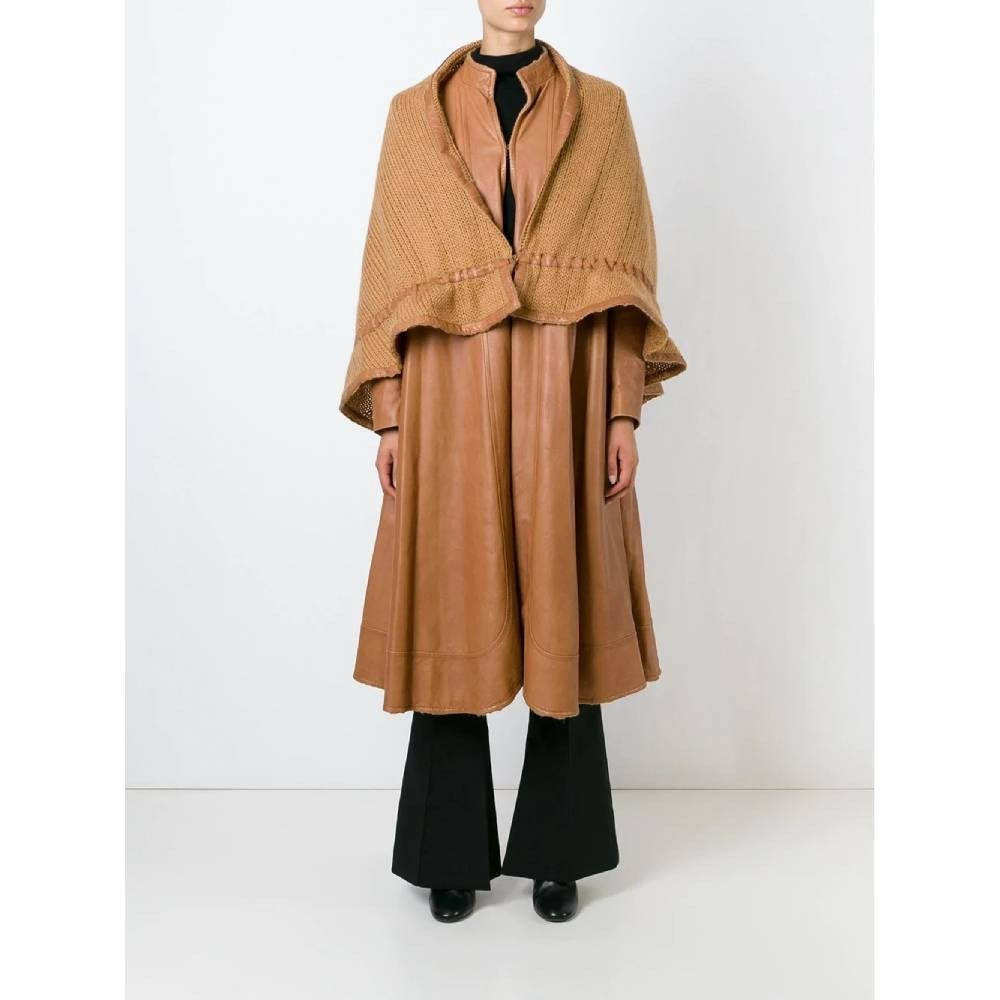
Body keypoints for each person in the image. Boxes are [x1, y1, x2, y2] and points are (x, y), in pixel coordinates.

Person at [340, 0, 686, 923]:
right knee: (451, 605)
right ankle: (447, 855)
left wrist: (621, 410)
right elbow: (389, 281)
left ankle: (557, 854)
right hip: (446, 394)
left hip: (564, 390)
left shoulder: (600, 111)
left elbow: (624, 281)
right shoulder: (413, 116)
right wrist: (391, 418)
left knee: (564, 606)